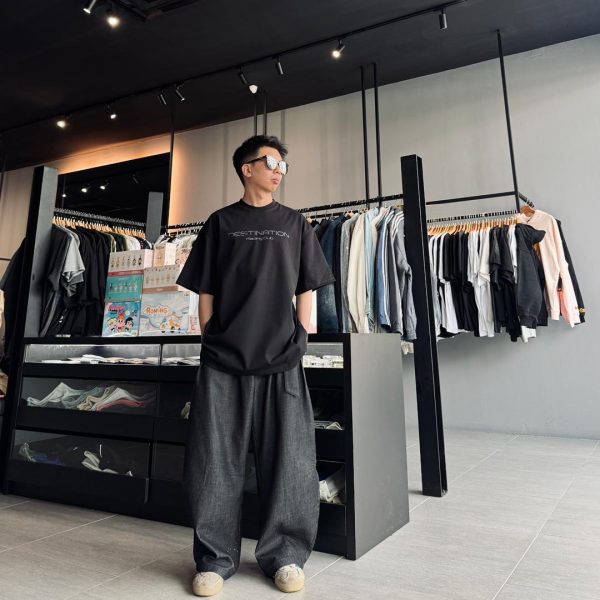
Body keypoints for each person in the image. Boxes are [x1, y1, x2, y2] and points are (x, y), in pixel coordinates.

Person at [177, 135, 334, 597]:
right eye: (270, 162)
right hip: (224, 358)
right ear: (247, 168)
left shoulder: (294, 223)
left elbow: (307, 286)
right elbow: (206, 288)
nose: (279, 170)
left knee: (290, 459)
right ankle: (214, 559)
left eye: (283, 164)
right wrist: (209, 334)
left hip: (281, 356)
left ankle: (285, 556)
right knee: (214, 460)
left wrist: (300, 335)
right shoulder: (221, 222)